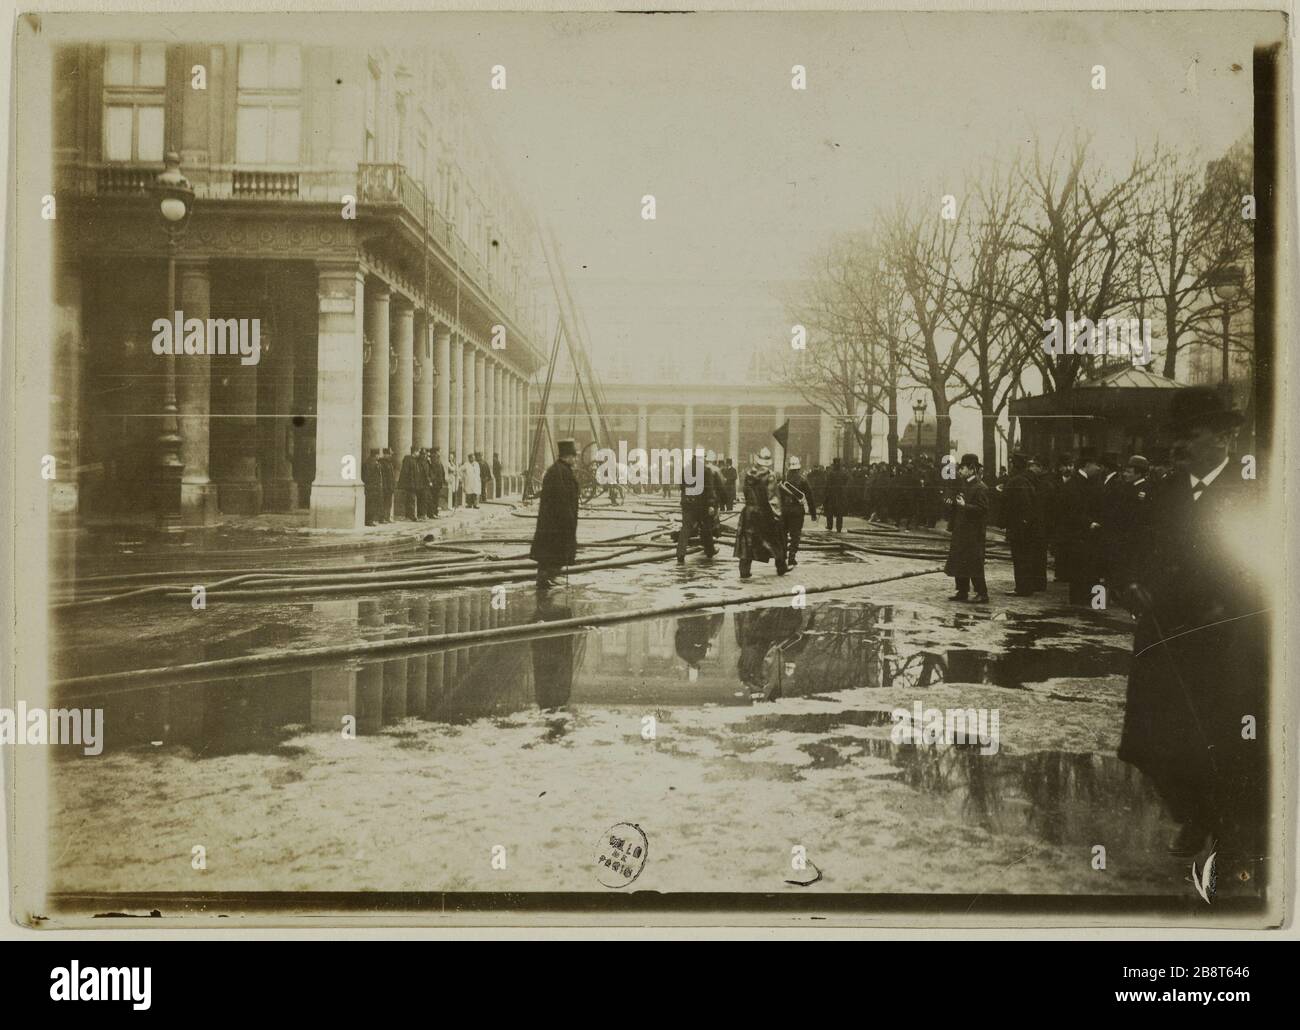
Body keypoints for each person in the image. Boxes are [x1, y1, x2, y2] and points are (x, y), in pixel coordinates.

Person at [1117, 388, 1265, 873]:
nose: (1178, 445)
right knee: (1157, 737)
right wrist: (1130, 583)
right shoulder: (1164, 490)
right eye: (1176, 435)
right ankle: (1194, 812)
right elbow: (1134, 550)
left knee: (1226, 734)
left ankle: (1231, 829)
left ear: (1225, 436)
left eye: (1191, 434)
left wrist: (1232, 607)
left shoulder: (1254, 492)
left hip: (1229, 640)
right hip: (1164, 635)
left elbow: (1266, 564)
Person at [530, 438, 580, 589]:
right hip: (556, 522)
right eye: (574, 456)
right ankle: (545, 577)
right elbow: (561, 499)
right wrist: (568, 519)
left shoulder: (560, 470)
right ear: (567, 457)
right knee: (552, 550)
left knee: (551, 551)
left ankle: (548, 576)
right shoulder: (559, 472)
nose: (575, 459)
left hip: (554, 521)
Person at [734, 447, 788, 580]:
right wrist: (778, 516)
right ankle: (781, 567)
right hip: (765, 513)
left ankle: (744, 570)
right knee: (775, 541)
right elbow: (773, 498)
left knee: (747, 542)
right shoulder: (770, 475)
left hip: (749, 512)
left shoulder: (748, 474)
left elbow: (745, 492)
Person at [1060, 448, 1103, 605]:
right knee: (1080, 568)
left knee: (1084, 568)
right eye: (1096, 465)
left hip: (1084, 533)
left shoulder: (1082, 482)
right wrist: (1089, 523)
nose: (1098, 468)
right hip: (1079, 533)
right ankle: (1080, 602)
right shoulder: (1075, 484)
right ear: (1087, 465)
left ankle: (1084, 601)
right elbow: (1071, 511)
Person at [944, 453, 989, 603]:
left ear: (971, 469)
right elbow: (957, 507)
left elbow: (983, 510)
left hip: (973, 532)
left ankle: (982, 593)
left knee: (974, 563)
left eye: (962, 468)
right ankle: (962, 591)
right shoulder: (964, 485)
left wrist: (965, 506)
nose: (959, 471)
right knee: (960, 561)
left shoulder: (980, 487)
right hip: (961, 530)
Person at [1001, 452, 1045, 595]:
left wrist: (1021, 523)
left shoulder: (1017, 480)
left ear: (1014, 464)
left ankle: (1022, 588)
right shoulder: (1028, 479)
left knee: (1020, 558)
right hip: (1028, 526)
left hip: (1020, 527)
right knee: (1026, 557)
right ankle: (1027, 586)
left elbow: (1023, 504)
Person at [676, 448, 718, 564]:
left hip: (688, 504)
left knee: (685, 529)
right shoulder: (706, 470)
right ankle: (710, 551)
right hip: (701, 505)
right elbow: (709, 489)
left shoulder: (686, 469)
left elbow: (681, 486)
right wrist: (711, 504)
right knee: (706, 528)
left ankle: (680, 554)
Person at [778, 456, 817, 568]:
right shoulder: (803, 480)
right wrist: (813, 514)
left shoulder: (783, 481)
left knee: (783, 535)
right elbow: (810, 497)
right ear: (798, 469)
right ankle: (792, 557)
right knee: (795, 535)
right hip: (797, 511)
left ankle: (783, 556)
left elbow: (778, 497)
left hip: (784, 511)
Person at [397, 445, 428, 521]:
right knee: (411, 500)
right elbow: (406, 473)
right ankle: (410, 516)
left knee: (412, 499)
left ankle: (412, 515)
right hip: (410, 484)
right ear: (415, 452)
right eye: (418, 452)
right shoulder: (408, 460)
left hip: (414, 484)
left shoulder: (415, 460)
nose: (419, 454)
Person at [824, 456, 848, 532]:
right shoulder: (843, 473)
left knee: (830, 511)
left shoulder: (830, 473)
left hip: (832, 494)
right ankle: (839, 527)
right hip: (840, 494)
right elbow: (846, 482)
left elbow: (827, 484)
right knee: (839, 513)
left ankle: (830, 526)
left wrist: (826, 494)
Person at [361, 448, 383, 527]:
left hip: (371, 487)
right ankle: (369, 521)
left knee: (371, 504)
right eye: (378, 454)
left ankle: (370, 520)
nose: (379, 456)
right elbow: (370, 476)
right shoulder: (372, 463)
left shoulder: (369, 462)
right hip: (372, 488)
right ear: (376, 455)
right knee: (371, 505)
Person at [426, 447, 446, 518]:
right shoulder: (434, 459)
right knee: (433, 498)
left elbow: (441, 470)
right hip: (435, 483)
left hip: (438, 482)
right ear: (435, 452)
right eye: (439, 451)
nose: (440, 453)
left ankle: (435, 512)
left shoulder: (437, 459)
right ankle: (432, 513)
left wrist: (443, 479)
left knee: (436, 498)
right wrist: (432, 481)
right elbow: (433, 471)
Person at [379, 447, 397, 524]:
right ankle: (382, 518)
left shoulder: (389, 463)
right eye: (389, 454)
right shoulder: (382, 463)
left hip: (390, 487)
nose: (390, 455)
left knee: (388, 503)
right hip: (385, 487)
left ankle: (387, 517)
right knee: (383, 503)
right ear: (385, 454)